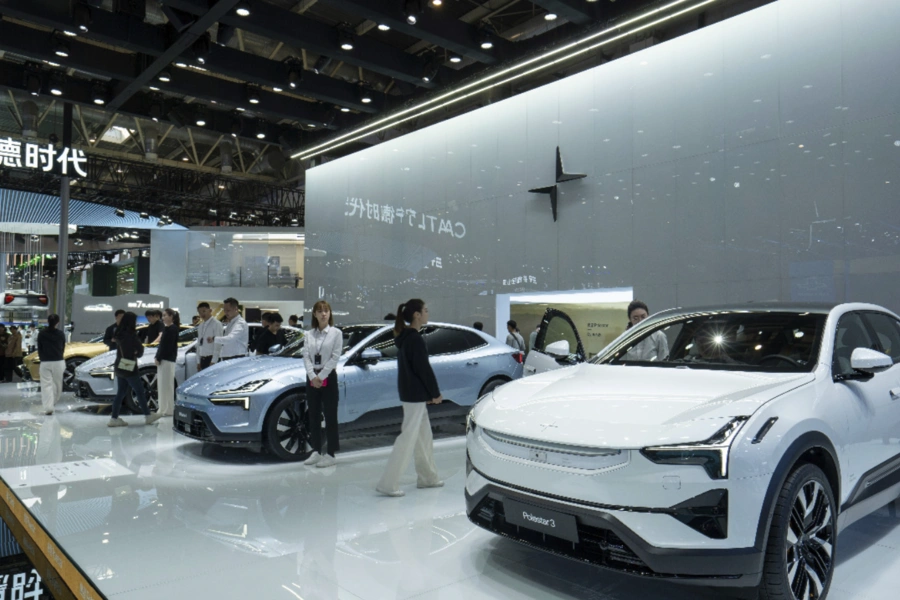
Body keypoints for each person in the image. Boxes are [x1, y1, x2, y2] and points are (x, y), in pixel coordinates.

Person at [376, 299, 444, 497]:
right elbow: (423, 369)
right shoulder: (414, 339)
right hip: (414, 396)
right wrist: (435, 393)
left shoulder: (406, 338)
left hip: (412, 394)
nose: (427, 313)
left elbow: (417, 370)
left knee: (424, 438)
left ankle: (428, 478)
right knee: (408, 439)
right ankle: (388, 483)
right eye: (425, 310)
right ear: (416, 314)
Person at [302, 301, 343, 468]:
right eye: (320, 311)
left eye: (326, 311)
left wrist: (322, 375)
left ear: (330, 313)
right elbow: (305, 356)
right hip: (312, 378)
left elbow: (335, 356)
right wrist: (313, 376)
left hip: (328, 377)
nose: (323, 314)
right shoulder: (308, 335)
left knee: (330, 415)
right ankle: (316, 451)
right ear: (314, 314)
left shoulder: (336, 333)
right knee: (313, 415)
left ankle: (331, 453)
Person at [107, 312, 152, 427]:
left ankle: (114, 418)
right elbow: (139, 351)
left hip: (119, 365)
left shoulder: (118, 333)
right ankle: (148, 415)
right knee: (139, 391)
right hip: (129, 366)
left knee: (120, 392)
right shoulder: (131, 335)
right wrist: (137, 351)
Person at [148, 308, 179, 424]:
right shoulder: (168, 328)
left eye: (165, 315)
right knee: (163, 385)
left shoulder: (172, 329)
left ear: (171, 316)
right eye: (163, 315)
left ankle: (166, 409)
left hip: (167, 360)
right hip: (164, 359)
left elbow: (167, 346)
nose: (163, 317)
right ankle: (164, 408)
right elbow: (162, 345)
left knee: (166, 385)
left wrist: (158, 357)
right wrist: (157, 356)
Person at [38, 315, 66, 415]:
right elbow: (63, 347)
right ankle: (53, 403)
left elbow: (39, 348)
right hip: (58, 361)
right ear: (57, 322)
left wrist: (42, 358)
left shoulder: (41, 334)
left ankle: (48, 406)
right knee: (57, 384)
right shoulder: (61, 334)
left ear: (47, 321)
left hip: (45, 362)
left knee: (46, 384)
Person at [196, 302, 223, 370]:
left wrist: (214, 361)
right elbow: (199, 344)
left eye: (204, 311)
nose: (202, 314)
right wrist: (198, 361)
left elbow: (218, 344)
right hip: (202, 359)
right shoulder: (201, 326)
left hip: (211, 359)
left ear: (210, 310)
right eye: (200, 312)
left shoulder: (216, 324)